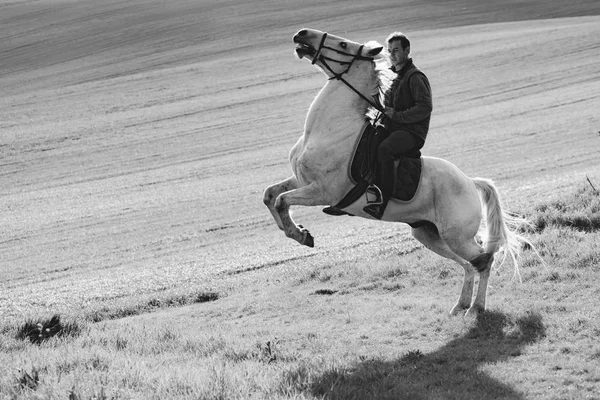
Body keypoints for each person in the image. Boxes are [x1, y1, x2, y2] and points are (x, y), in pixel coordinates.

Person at [364, 31, 433, 219]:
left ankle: (383, 201)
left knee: (385, 149)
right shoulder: (393, 77)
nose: (392, 55)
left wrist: (398, 116)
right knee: (367, 141)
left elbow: (425, 107)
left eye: (396, 50)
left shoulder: (415, 77)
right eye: (389, 51)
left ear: (407, 50)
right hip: (395, 128)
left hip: (412, 132)